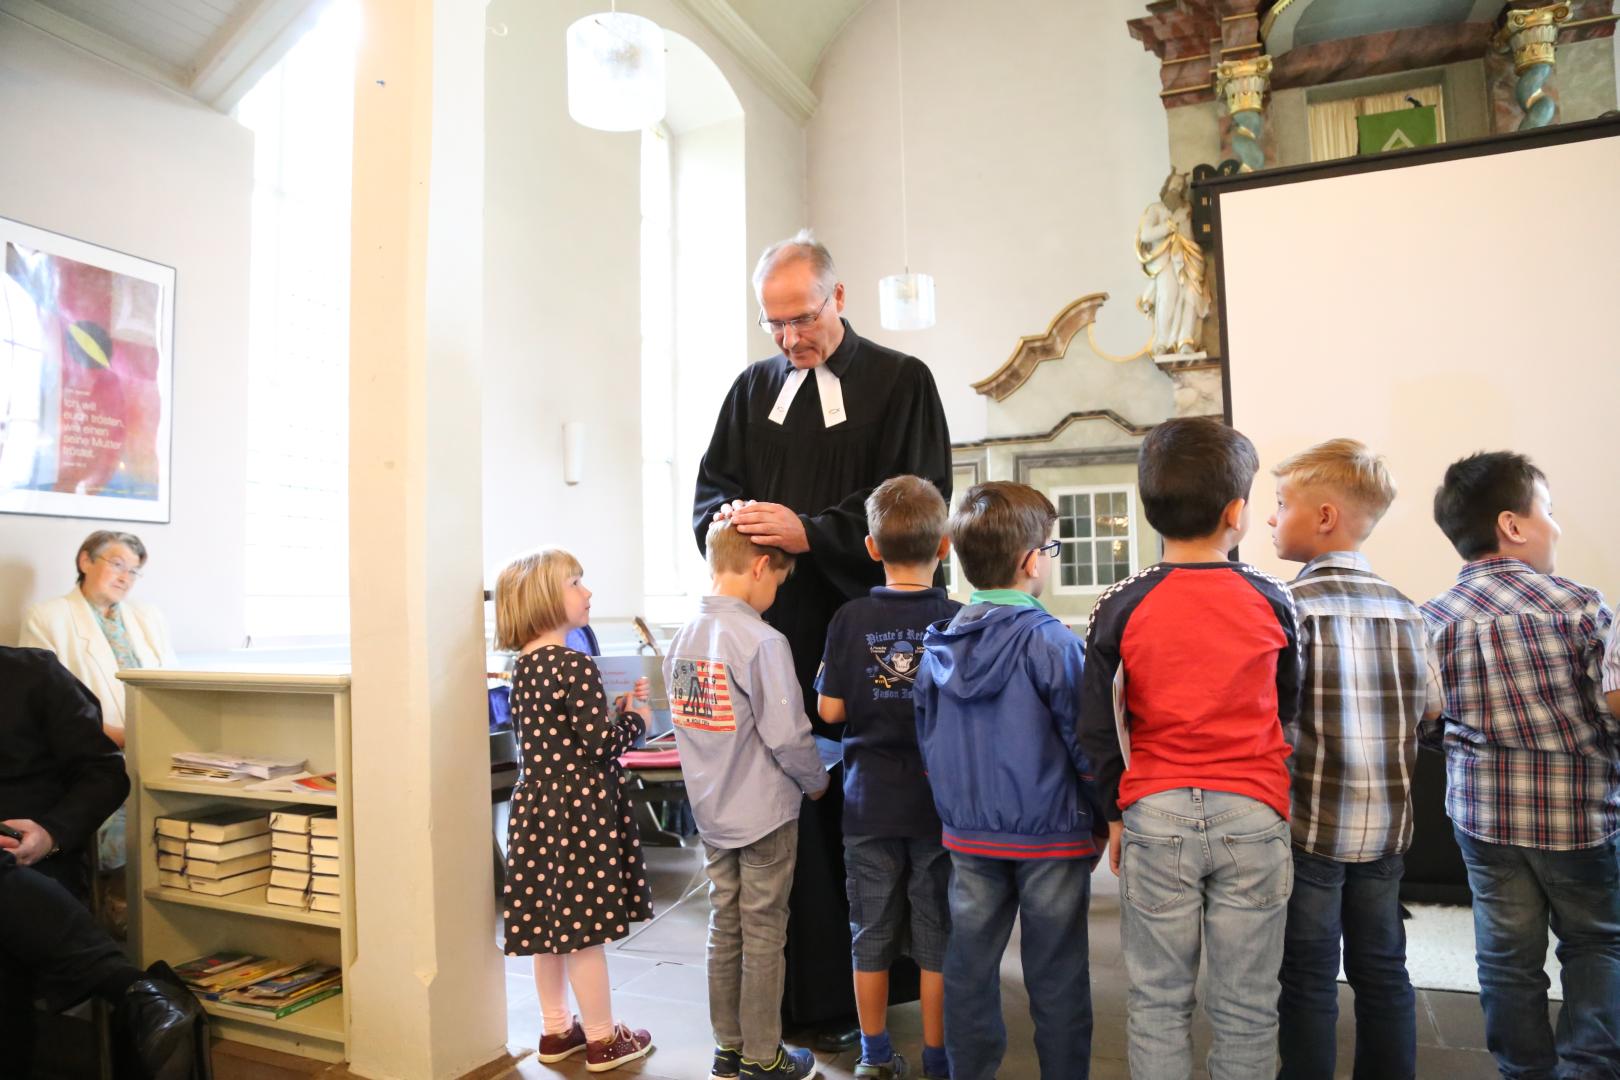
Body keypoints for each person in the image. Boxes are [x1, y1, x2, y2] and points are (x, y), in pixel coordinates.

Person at [693, 229, 951, 1035]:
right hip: (769, 633)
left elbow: (915, 501)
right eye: (773, 324)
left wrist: (811, 533)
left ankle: (876, 994)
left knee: (864, 813)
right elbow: (710, 495)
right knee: (781, 814)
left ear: (839, 298)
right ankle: (795, 1002)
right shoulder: (750, 389)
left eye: (802, 318)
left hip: (865, 633)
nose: (789, 338)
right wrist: (730, 524)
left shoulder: (901, 381)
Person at [1078, 416, 1301, 1080]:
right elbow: (1287, 708)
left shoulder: (1121, 604)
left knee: (1155, 1005)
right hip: (1254, 814)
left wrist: (1114, 815)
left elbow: (1096, 729)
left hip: (1157, 811)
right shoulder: (1273, 598)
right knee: (1248, 1009)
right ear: (1236, 512)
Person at [1421, 452, 1620, 1078]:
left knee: (1506, 955)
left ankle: (1522, 1071)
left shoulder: (1431, 619)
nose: (1557, 526)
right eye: (1550, 512)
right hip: (1580, 819)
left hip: (1483, 818)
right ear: (1513, 524)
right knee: (1597, 943)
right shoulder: (1582, 607)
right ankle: (1588, 1068)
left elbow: (1427, 720)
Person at [914, 481, 1107, 1080]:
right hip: (1051, 834)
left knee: (969, 967)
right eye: (1050, 550)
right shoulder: (1049, 640)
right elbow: (1086, 739)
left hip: (969, 834)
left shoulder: (938, 645)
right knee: (1058, 973)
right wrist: (1105, 813)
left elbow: (928, 740)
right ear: (1031, 561)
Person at [1267, 440, 1440, 1080]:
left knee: (1308, 975)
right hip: (1388, 831)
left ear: (1325, 517)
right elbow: (1430, 710)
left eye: (1281, 505)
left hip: (1311, 828)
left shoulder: (1290, 606)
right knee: (1384, 970)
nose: (1270, 518)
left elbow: (1276, 717)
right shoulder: (1405, 607)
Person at [665, 522, 830, 1080]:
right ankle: (765, 1054)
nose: (775, 594)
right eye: (778, 582)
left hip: (711, 814)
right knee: (763, 932)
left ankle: (728, 1047)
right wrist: (816, 780)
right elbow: (787, 734)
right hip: (763, 816)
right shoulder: (762, 640)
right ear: (762, 567)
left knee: (723, 926)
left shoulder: (683, 637)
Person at [1, 644, 208, 1078]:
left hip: (34, 866)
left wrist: (50, 833)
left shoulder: (33, 674)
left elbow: (104, 772)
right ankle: (133, 989)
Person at [815, 476, 960, 1080]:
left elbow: (830, 711)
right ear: (945, 546)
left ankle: (874, 1055)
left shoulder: (850, 618)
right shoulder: (957, 618)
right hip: (937, 804)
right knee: (936, 937)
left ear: (871, 548)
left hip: (868, 802)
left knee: (868, 932)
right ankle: (937, 1056)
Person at [493, 548, 654, 1073]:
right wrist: (635, 719)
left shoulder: (524, 669)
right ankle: (605, 1040)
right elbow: (599, 745)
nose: (587, 593)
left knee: (550, 926)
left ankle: (556, 1030)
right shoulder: (574, 666)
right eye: (576, 583)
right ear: (546, 599)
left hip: (537, 812)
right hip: (579, 814)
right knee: (586, 932)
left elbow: (561, 739)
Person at [21, 529, 179, 746]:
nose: (125, 578)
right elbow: (46, 702)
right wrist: (126, 737)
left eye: (134, 571)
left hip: (157, 744)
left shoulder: (149, 616)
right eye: (117, 565)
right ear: (85, 561)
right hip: (88, 752)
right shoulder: (46, 617)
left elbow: (173, 685)